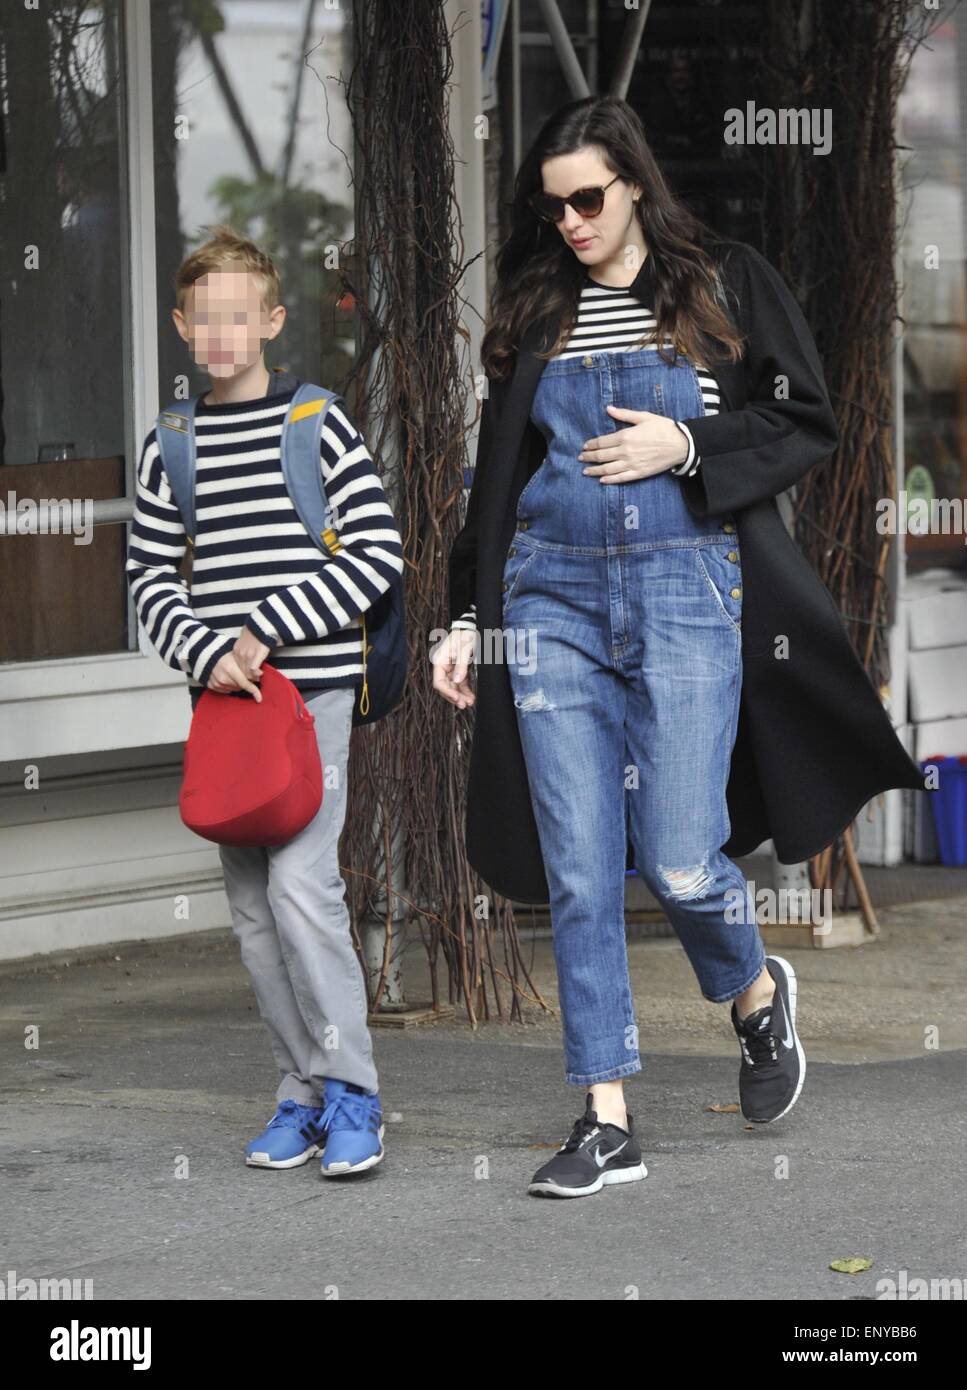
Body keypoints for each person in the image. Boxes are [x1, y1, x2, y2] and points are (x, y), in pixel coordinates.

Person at [431, 97, 830, 1198]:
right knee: (578, 867)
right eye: (551, 206)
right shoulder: (535, 310)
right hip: (549, 598)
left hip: (684, 589)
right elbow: (498, 478)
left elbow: (803, 418)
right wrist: (467, 616)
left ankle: (753, 995)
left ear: (636, 185)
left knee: (682, 857)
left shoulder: (723, 284)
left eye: (587, 198)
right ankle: (604, 1116)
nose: (570, 221)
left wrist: (687, 443)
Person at [126, 225, 403, 1176]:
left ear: (272, 323)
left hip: (308, 696)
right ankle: (301, 1092)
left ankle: (355, 1092)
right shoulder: (170, 444)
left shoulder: (316, 423)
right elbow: (148, 579)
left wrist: (264, 631)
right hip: (226, 711)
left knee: (300, 889)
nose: (221, 335)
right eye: (203, 320)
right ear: (180, 327)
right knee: (251, 910)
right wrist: (207, 653)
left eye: (238, 318)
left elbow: (377, 554)